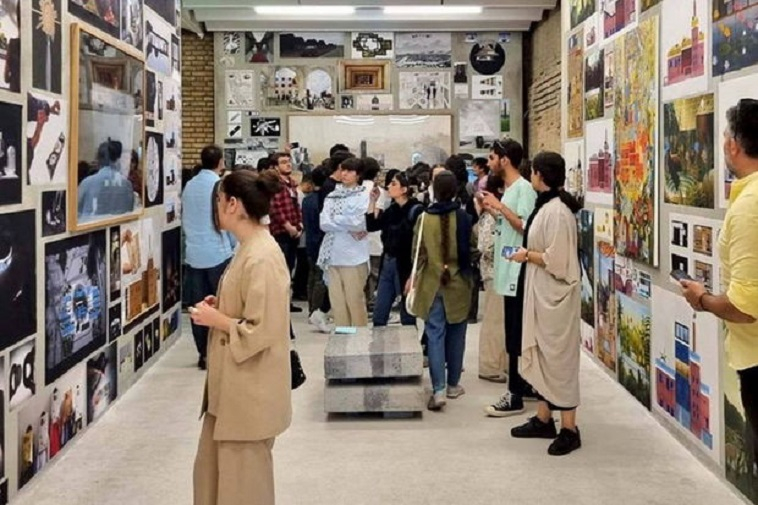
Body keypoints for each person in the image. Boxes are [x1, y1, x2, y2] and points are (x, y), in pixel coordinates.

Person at [190, 169, 292, 505]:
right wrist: (222, 307)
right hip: (232, 389)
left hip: (249, 393)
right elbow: (248, 306)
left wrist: (218, 320)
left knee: (244, 486)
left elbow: (263, 330)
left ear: (233, 204)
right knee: (215, 477)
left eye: (219, 200)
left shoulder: (262, 255)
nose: (216, 208)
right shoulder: (248, 248)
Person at [681, 98, 758, 466]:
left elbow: (745, 308)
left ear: (733, 145)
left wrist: (701, 299)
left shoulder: (749, 207)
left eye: (725, 135)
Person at [507, 151, 583, 456]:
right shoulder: (548, 206)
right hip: (540, 293)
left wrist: (527, 255)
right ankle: (543, 418)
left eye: (533, 172)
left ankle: (569, 428)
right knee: (540, 354)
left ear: (540, 174)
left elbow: (559, 260)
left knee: (559, 360)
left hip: (555, 298)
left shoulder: (559, 213)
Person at [480, 139, 537, 416]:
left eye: (493, 158)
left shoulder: (523, 189)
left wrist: (500, 207)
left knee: (515, 334)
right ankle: (522, 385)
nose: (489, 163)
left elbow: (526, 225)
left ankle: (515, 393)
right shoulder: (512, 189)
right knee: (511, 331)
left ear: (505, 160)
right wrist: (494, 210)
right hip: (507, 269)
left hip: (518, 271)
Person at [408, 170, 474, 411]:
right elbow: (473, 249)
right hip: (459, 285)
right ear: (455, 191)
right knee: (457, 334)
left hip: (431, 284)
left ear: (434, 191)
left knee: (434, 335)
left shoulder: (424, 218)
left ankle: (438, 390)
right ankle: (454, 384)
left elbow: (417, 253)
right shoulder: (464, 218)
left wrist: (413, 278)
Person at [182, 145, 236, 370]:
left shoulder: (189, 185)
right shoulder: (220, 186)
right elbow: (226, 219)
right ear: (221, 162)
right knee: (222, 305)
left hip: (193, 254)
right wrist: (233, 245)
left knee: (198, 308)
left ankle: (203, 354)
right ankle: (221, 352)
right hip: (217, 253)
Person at [317, 157, 370, 327]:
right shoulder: (332, 196)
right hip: (333, 255)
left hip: (354, 257)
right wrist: (346, 223)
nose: (344, 174)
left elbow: (360, 222)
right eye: (343, 170)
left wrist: (338, 220)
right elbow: (324, 223)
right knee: (337, 303)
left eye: (349, 171)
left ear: (358, 174)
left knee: (354, 301)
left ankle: (359, 337)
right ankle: (343, 336)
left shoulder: (364, 195)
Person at [366, 171, 423, 326]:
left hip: (405, 264)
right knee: (379, 312)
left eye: (393, 184)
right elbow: (371, 225)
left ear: (404, 189)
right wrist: (372, 201)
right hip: (388, 261)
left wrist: (415, 272)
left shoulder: (416, 210)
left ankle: (409, 340)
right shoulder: (391, 210)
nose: (388, 187)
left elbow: (419, 243)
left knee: (407, 312)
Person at [476, 173, 508, 383]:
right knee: (494, 320)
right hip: (494, 274)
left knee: (501, 321)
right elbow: (485, 246)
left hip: (500, 273)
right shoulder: (491, 216)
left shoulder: (497, 213)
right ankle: (489, 366)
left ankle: (501, 363)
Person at [268, 152, 304, 313]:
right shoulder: (274, 184)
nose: (288, 164)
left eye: (289, 161)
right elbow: (274, 207)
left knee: (290, 267)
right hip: (280, 232)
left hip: (294, 230)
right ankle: (279, 303)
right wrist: (288, 226)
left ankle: (286, 301)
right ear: (275, 167)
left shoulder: (292, 184)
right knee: (280, 269)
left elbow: (296, 206)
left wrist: (299, 224)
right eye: (283, 162)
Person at [303, 167, 332, 333]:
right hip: (321, 242)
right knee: (321, 278)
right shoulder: (323, 200)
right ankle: (317, 310)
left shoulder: (307, 200)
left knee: (312, 277)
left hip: (310, 241)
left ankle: (311, 309)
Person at [78, 140, 135, 218]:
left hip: (91, 224)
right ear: (118, 159)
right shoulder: (127, 184)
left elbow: (76, 211)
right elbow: (129, 210)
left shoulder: (87, 183)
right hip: (119, 224)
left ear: (98, 159)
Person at [361, 157, 386, 311]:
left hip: (357, 237)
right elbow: (377, 214)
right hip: (375, 237)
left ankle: (363, 303)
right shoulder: (379, 191)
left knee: (363, 274)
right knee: (375, 273)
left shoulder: (356, 190)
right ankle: (372, 304)